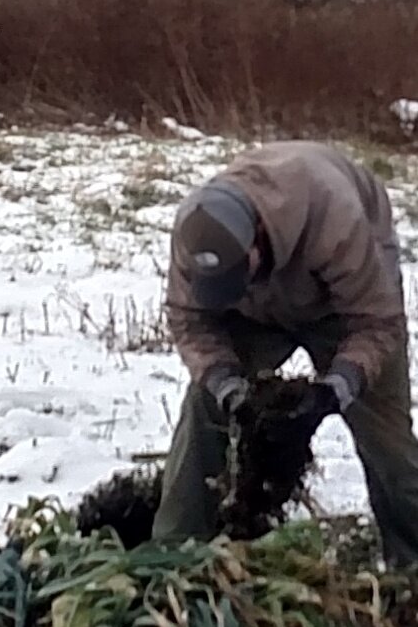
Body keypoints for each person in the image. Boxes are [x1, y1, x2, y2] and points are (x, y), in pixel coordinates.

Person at [154, 140, 418, 563]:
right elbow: (190, 320)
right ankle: (173, 554)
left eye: (236, 274)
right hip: (255, 310)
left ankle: (411, 566)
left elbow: (377, 323)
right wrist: (227, 386)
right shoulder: (195, 231)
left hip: (345, 306)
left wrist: (337, 388)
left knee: (385, 436)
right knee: (205, 408)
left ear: (256, 239)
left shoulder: (336, 218)